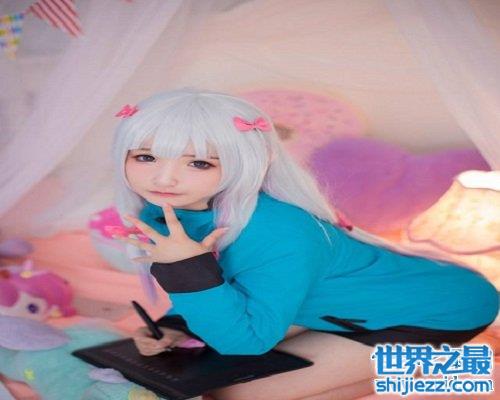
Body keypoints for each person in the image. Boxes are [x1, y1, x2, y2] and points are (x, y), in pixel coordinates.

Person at [111, 88, 498, 400]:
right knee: (202, 367)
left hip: (436, 310)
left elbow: (246, 341)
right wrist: (176, 326)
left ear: (243, 162)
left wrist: (186, 270)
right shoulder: (162, 210)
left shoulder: (280, 230)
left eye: (199, 163)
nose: (164, 178)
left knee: (238, 394)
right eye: (145, 157)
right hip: (332, 305)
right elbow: (226, 280)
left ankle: (441, 364)